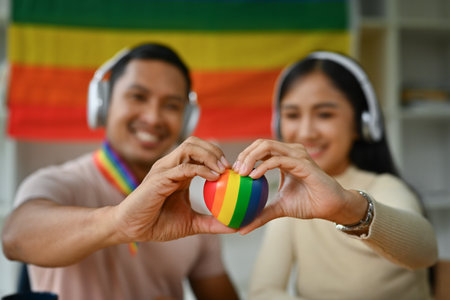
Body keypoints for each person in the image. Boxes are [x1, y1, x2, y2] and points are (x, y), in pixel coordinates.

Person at [1, 43, 239, 300]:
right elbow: (14, 239)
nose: (153, 117)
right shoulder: (57, 183)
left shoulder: (191, 214)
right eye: (138, 97)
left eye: (171, 105)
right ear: (103, 104)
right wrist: (120, 221)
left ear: (187, 119)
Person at [232, 51, 438, 299]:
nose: (306, 132)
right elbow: (263, 291)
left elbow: (425, 251)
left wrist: (348, 208)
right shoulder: (288, 197)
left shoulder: (386, 187)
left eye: (325, 114)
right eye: (292, 115)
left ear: (362, 124)